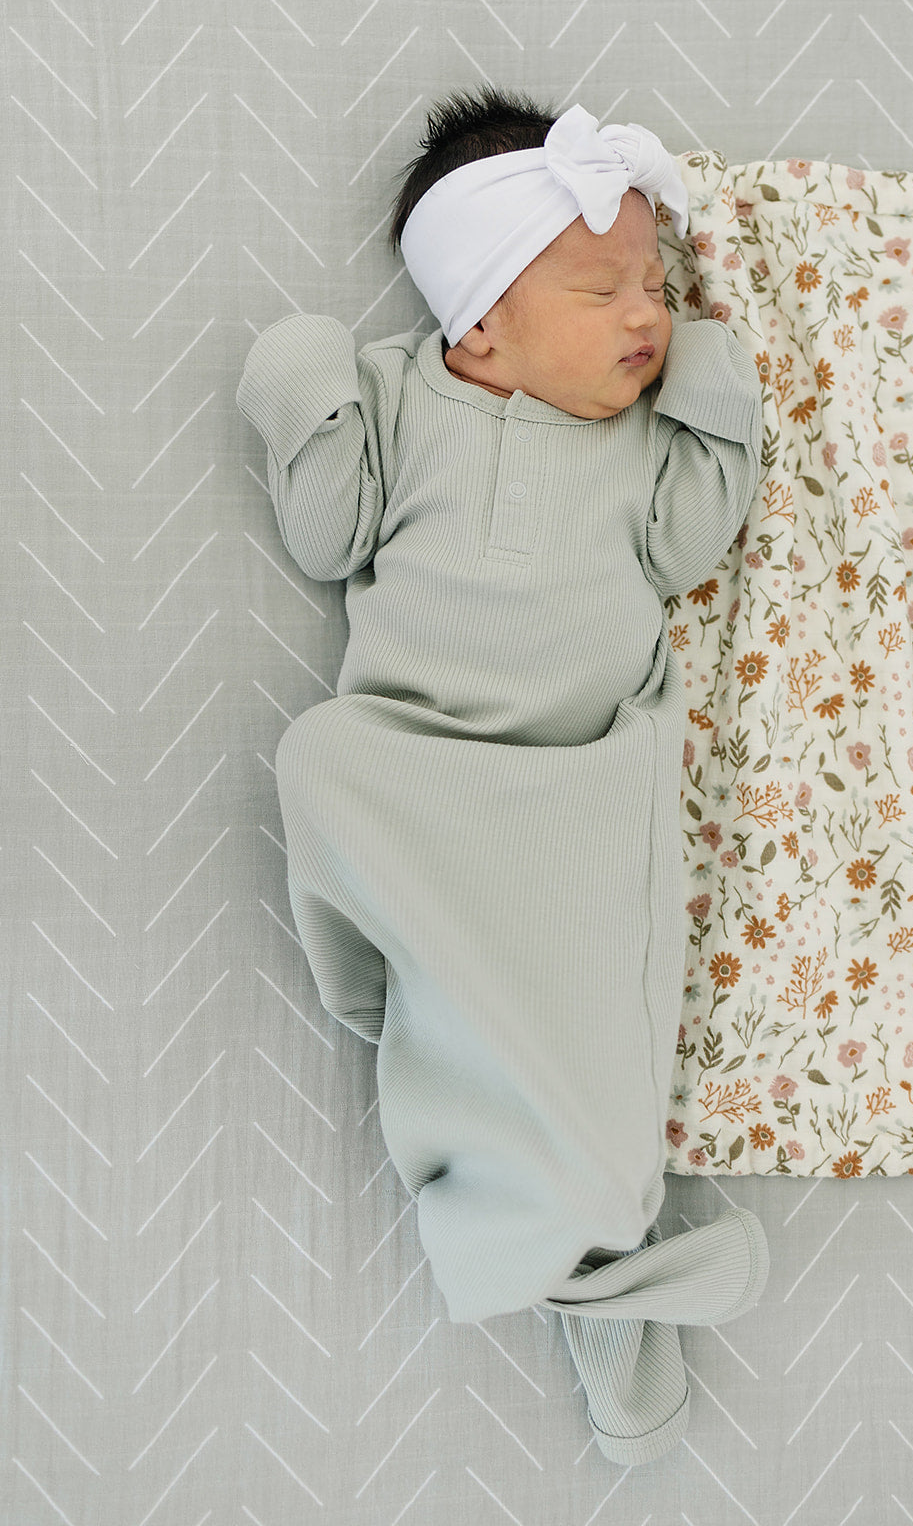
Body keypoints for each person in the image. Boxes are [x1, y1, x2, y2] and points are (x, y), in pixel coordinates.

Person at [235, 85, 769, 1465]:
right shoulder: (401, 401)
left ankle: (597, 1267)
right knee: (319, 757)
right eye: (605, 290)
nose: (651, 315)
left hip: (578, 787)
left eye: (658, 286)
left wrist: (715, 386)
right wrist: (302, 378)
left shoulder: (633, 448)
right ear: (478, 323)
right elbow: (326, 533)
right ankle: (413, 992)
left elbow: (693, 542)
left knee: (589, 1055)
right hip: (420, 772)